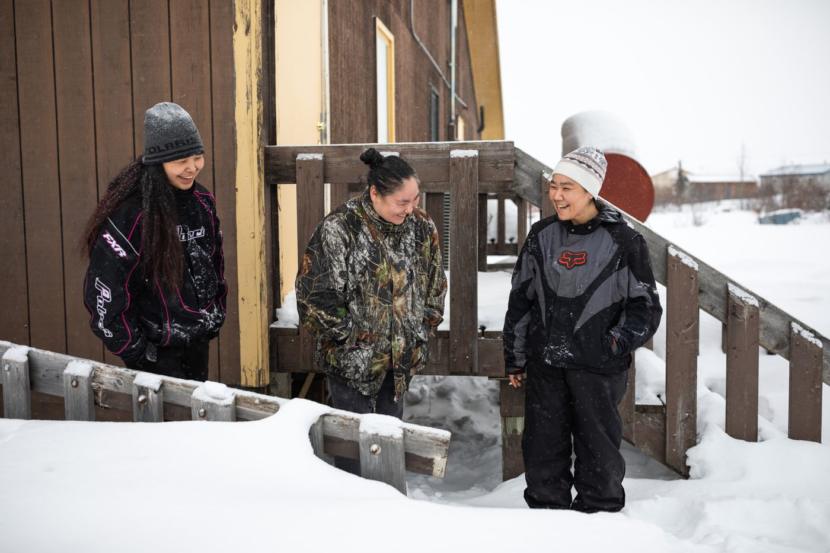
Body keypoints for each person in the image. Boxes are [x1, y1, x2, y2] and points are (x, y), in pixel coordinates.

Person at [503, 146, 662, 513]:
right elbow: (521, 299)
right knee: (543, 451)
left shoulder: (625, 241)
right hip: (546, 366)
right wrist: (515, 358)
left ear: (590, 190)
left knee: (598, 453)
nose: (557, 195)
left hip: (598, 368)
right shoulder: (542, 236)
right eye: (554, 186)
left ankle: (599, 523)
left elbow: (646, 307)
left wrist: (614, 343)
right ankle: (546, 521)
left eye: (567, 187)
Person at [296, 148, 447, 469]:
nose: (410, 209)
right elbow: (314, 297)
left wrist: (421, 331)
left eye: (415, 199)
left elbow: (435, 284)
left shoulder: (421, 226)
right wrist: (351, 342)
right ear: (375, 193)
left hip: (400, 364)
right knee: (353, 458)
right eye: (402, 202)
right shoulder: (340, 228)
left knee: (389, 453)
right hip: (352, 367)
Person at [83, 102, 226, 381]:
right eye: (180, 161)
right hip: (153, 353)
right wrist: (135, 348)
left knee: (196, 423)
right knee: (162, 425)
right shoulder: (133, 214)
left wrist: (214, 315)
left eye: (197, 157)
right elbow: (105, 287)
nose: (191, 168)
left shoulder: (203, 202)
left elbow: (215, 263)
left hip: (196, 342)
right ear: (158, 163)